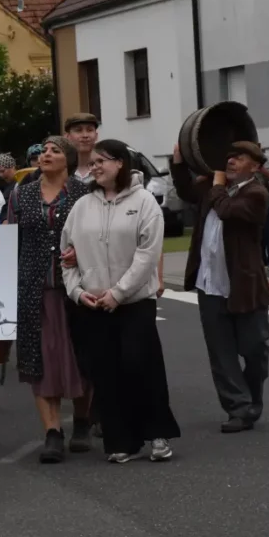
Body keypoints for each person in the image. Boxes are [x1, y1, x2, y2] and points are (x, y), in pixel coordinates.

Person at [61, 139, 179, 463]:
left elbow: (147, 255)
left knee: (142, 366)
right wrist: (77, 292)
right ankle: (120, 440)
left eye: (103, 160)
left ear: (121, 164)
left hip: (134, 303)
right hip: (94, 304)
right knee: (106, 372)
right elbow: (66, 256)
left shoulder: (144, 203)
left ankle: (157, 434)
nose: (96, 166)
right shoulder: (82, 206)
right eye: (94, 161)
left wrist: (118, 293)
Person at [171, 140, 269, 433]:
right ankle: (238, 408)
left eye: (238, 158)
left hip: (244, 285)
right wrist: (179, 162)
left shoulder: (257, 192)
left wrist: (215, 185)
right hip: (210, 284)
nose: (230, 162)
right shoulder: (212, 188)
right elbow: (186, 191)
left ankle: (252, 396)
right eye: (228, 157)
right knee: (221, 352)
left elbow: (228, 210)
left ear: (254, 166)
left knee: (255, 348)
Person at [6, 136, 91, 462]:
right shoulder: (21, 194)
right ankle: (52, 432)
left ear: (67, 160)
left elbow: (98, 234)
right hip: (33, 288)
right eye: (43, 150)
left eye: (55, 151)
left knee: (81, 356)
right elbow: (10, 239)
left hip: (76, 290)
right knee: (37, 360)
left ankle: (82, 419)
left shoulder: (84, 194)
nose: (46, 155)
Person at [64, 113, 99, 180]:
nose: (85, 135)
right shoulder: (59, 170)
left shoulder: (104, 170)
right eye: (78, 130)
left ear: (96, 136)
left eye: (89, 130)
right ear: (67, 137)